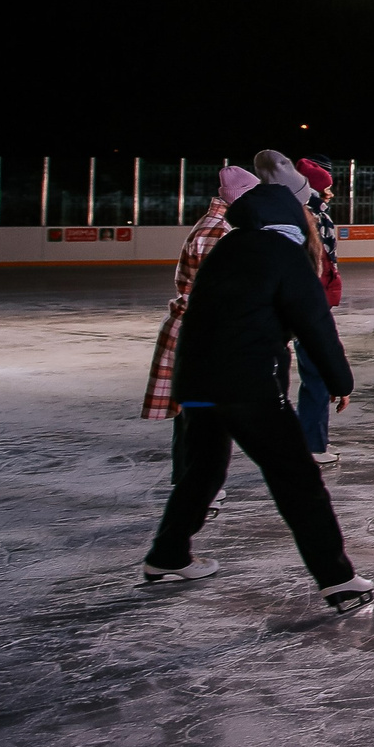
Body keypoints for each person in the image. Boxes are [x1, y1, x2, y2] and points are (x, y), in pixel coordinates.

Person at [142, 180, 374, 613]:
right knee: (298, 481)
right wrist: (340, 382)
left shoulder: (226, 249)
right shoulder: (285, 255)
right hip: (247, 387)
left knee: (202, 471)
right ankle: (339, 580)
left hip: (195, 383)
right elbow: (315, 325)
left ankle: (166, 556)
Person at [146, 166, 258, 517]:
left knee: (197, 415)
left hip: (200, 330)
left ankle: (192, 483)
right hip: (203, 332)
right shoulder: (219, 232)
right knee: (204, 418)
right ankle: (196, 488)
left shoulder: (219, 226)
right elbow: (219, 293)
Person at [290, 157, 346, 469]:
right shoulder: (312, 218)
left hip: (310, 302)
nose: (331, 194)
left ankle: (309, 438)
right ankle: (312, 443)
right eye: (326, 188)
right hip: (311, 304)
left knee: (313, 372)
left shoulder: (306, 213)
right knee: (317, 371)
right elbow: (319, 264)